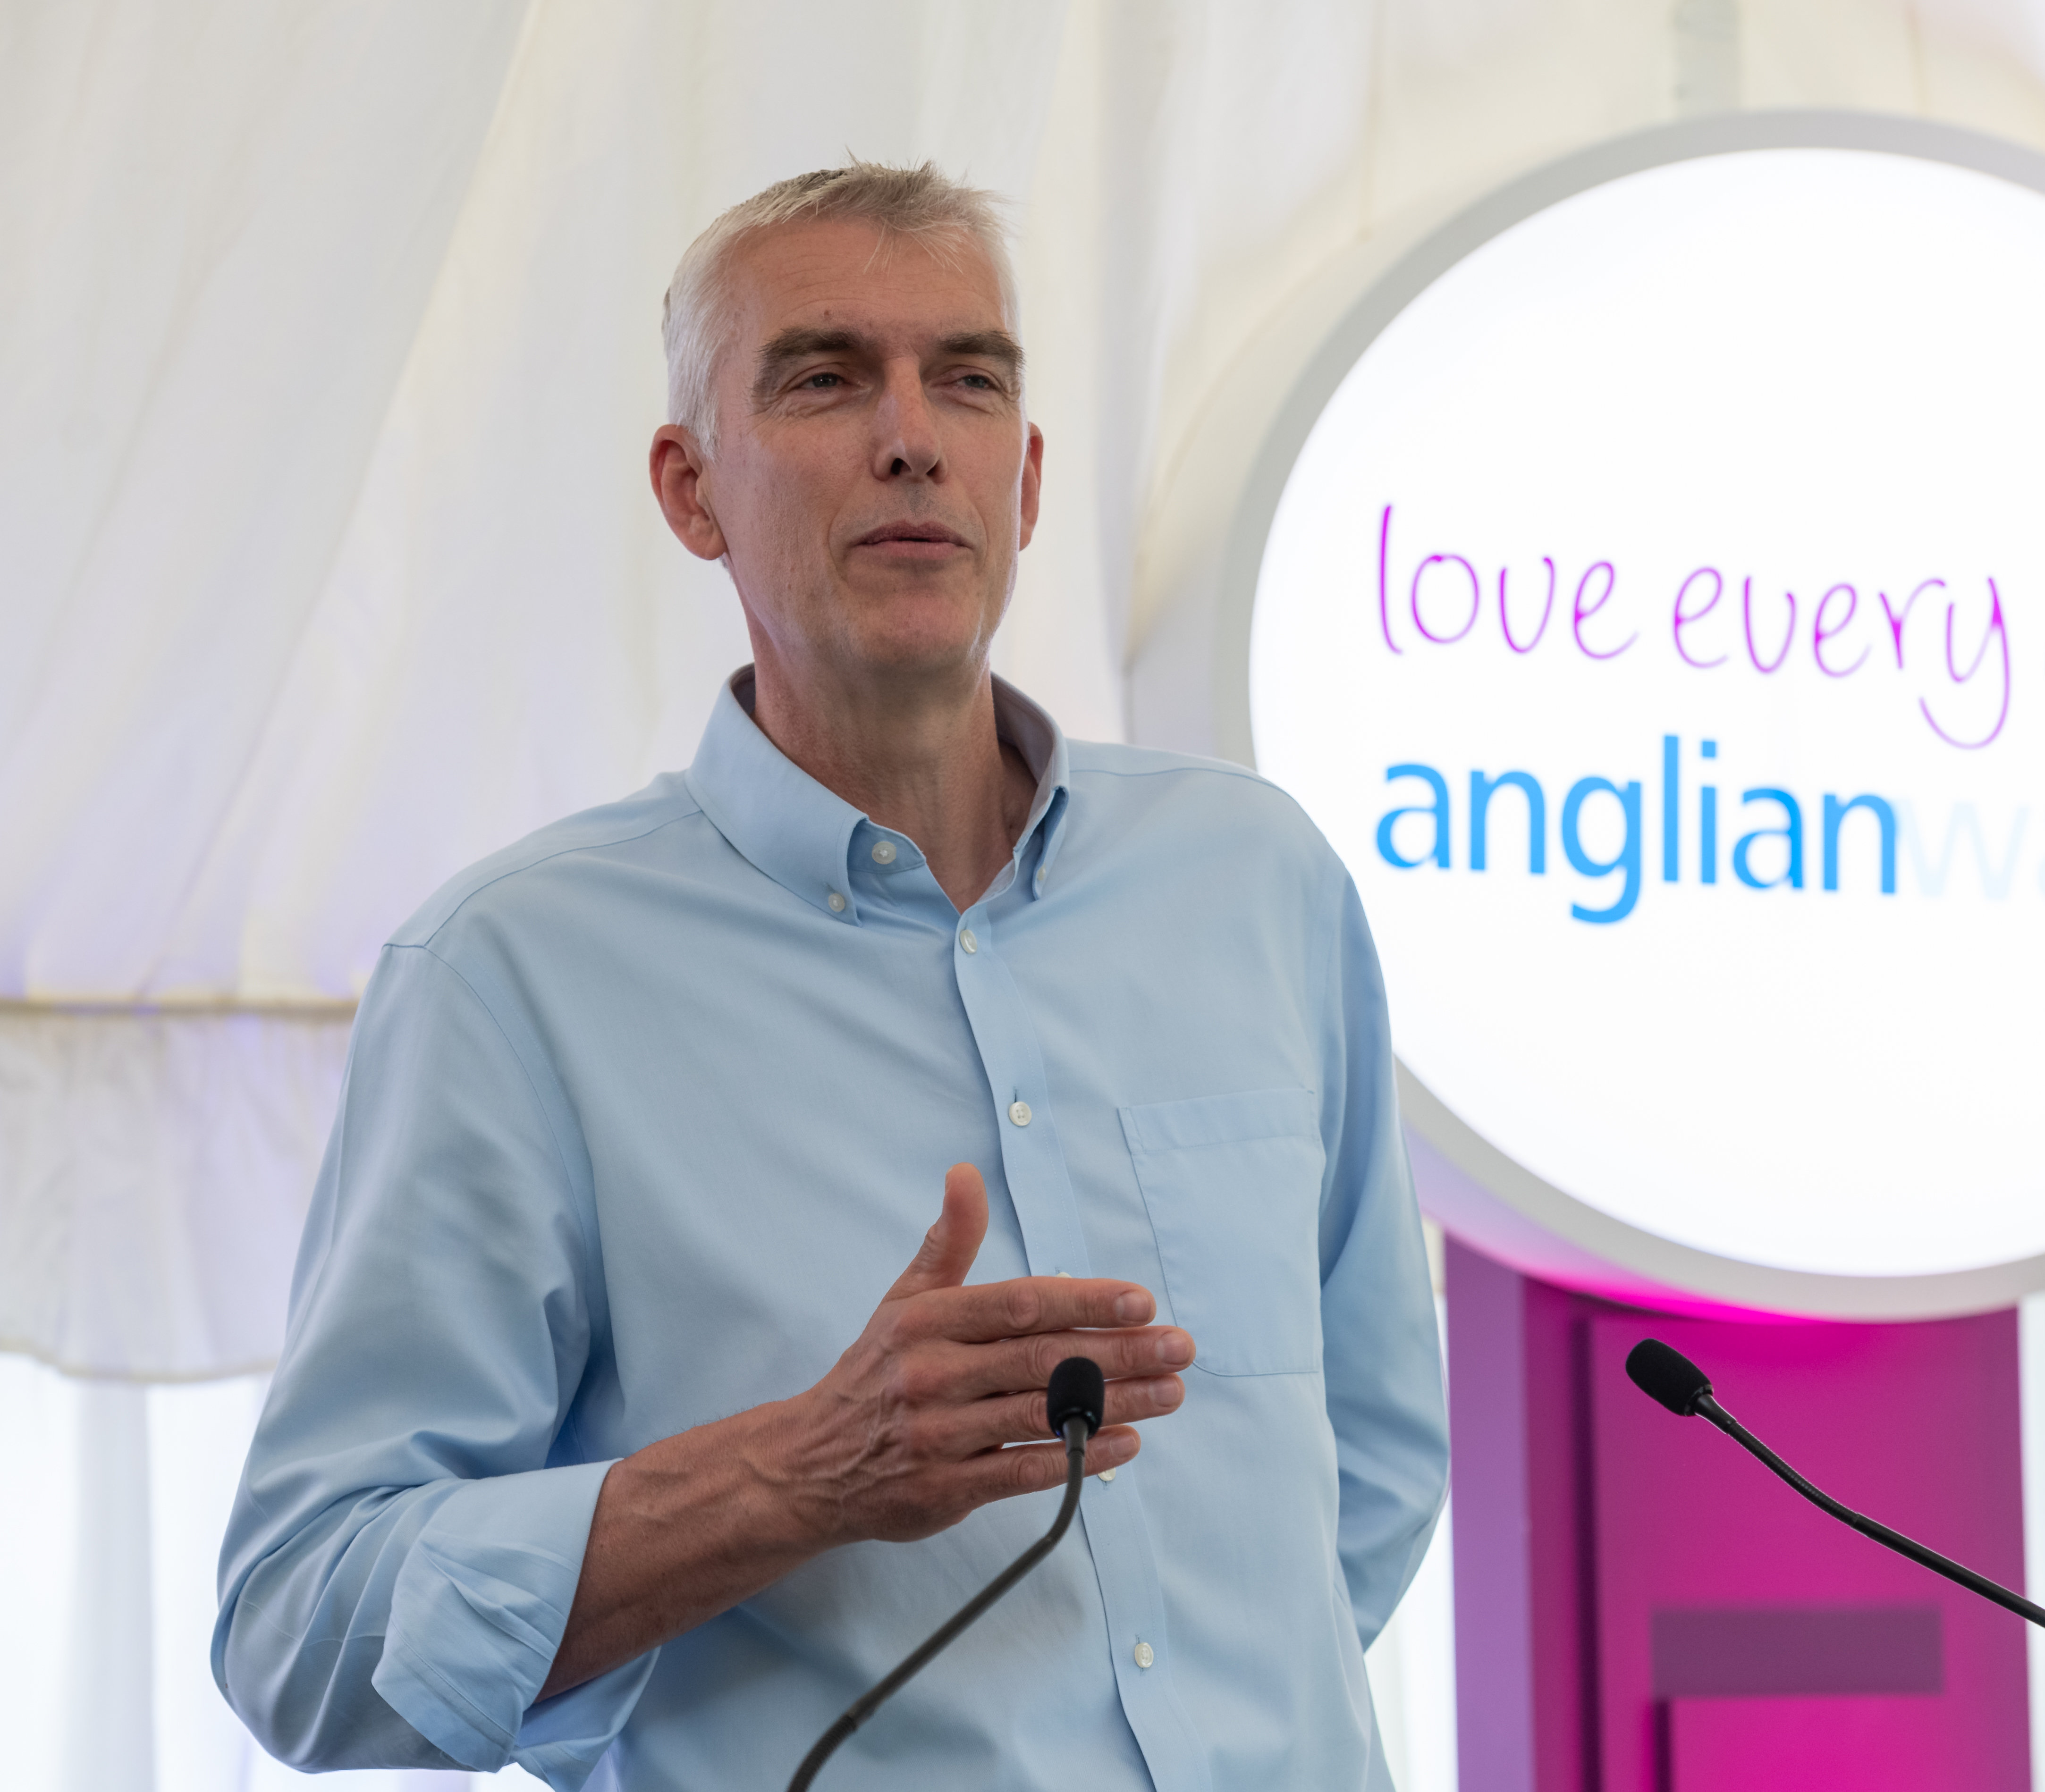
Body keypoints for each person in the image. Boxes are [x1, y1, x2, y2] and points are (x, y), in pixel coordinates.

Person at [213, 161, 1448, 1792]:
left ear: (1025, 481)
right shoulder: (516, 977)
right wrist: (793, 1477)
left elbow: (1368, 1470)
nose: (914, 436)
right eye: (824, 378)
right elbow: (302, 1631)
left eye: (971, 380)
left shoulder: (1256, 879)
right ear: (692, 491)